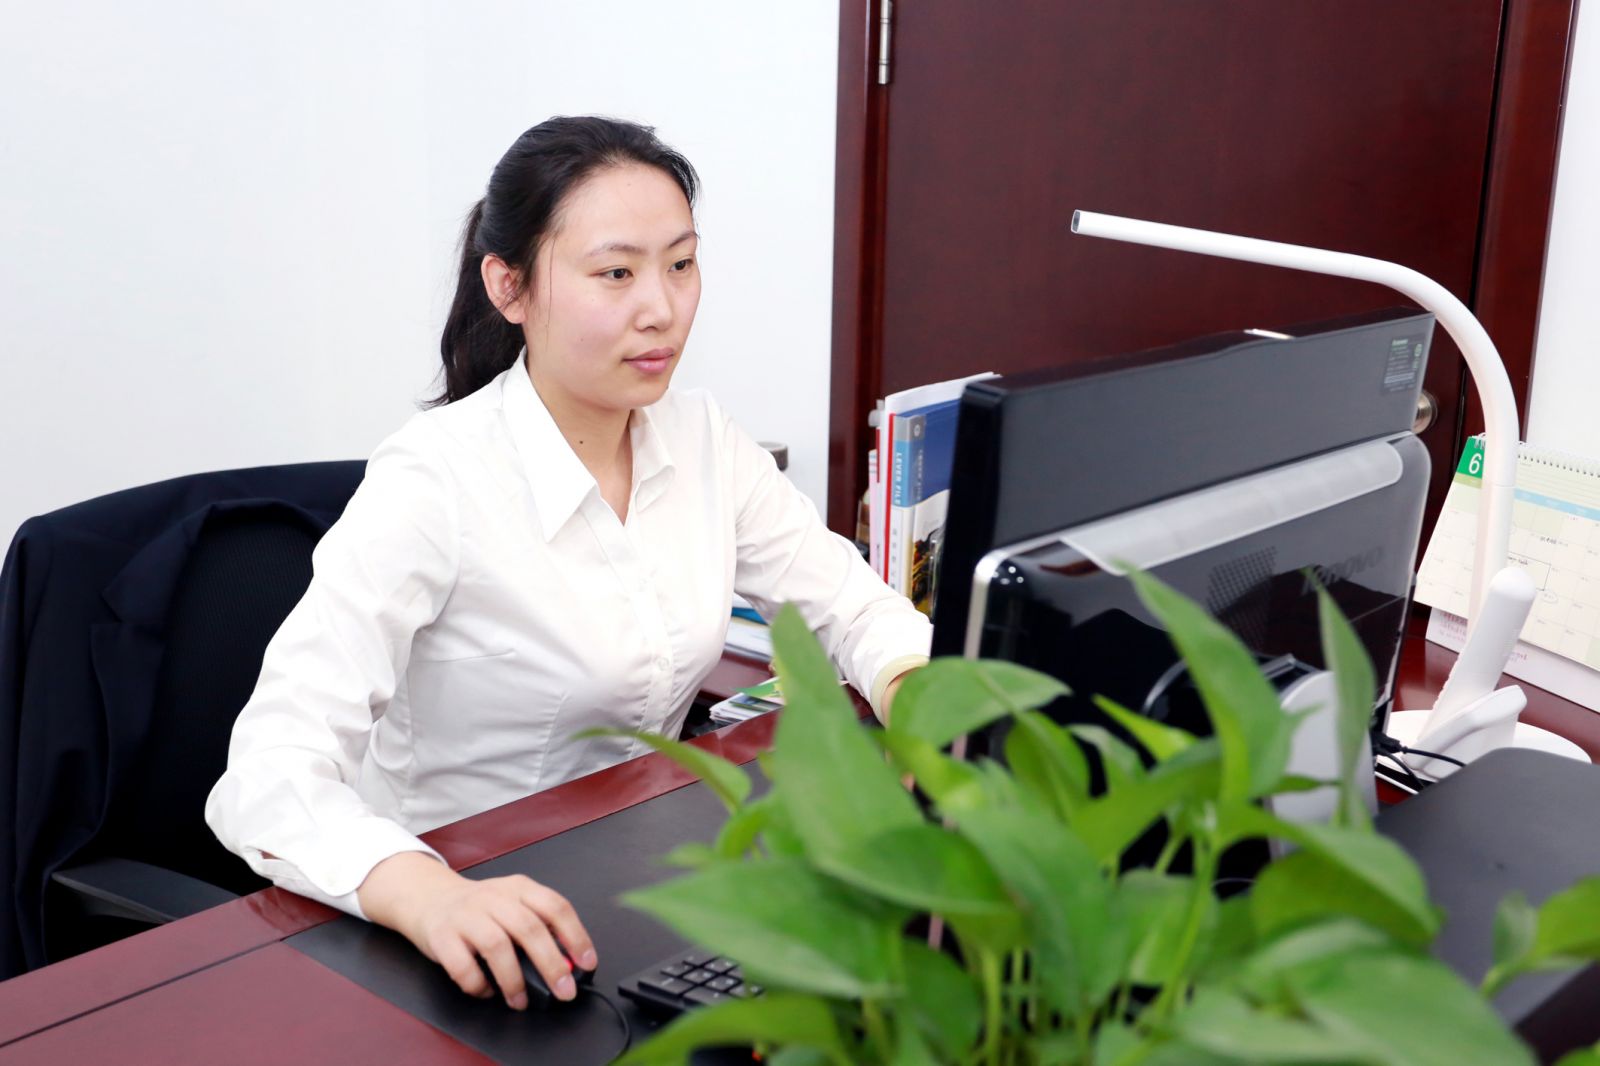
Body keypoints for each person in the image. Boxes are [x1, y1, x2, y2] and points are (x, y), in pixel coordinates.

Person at [205, 116, 931, 1013]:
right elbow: (268, 774)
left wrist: (920, 709)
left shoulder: (702, 439)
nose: (661, 308)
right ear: (508, 287)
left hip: (635, 882)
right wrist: (426, 894)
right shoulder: (434, 481)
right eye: (616, 273)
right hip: (459, 920)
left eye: (681, 264)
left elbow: (855, 607)